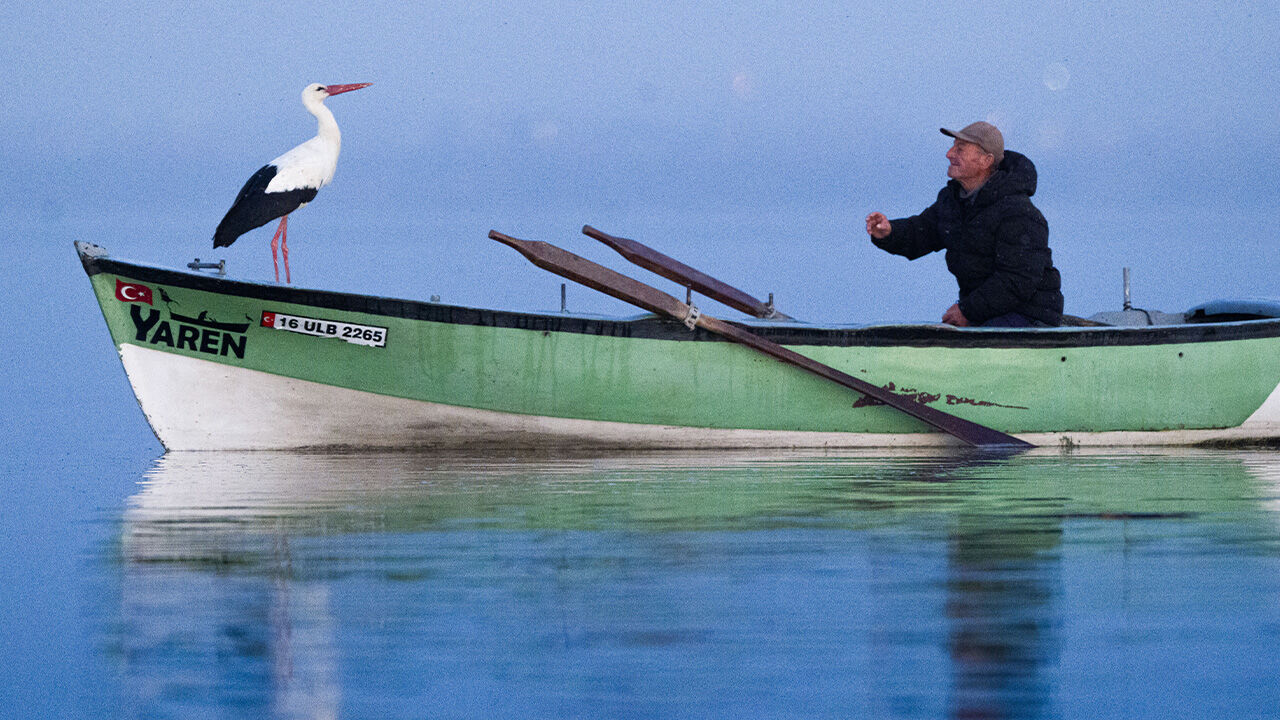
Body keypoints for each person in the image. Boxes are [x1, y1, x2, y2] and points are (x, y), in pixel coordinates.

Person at [864, 121, 1063, 327]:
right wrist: (888, 232)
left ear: (986, 160)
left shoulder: (1019, 213)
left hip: (1030, 316)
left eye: (960, 149)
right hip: (985, 312)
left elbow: (1017, 281)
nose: (949, 154)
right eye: (952, 146)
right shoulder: (953, 201)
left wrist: (967, 311)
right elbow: (921, 232)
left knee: (973, 347)